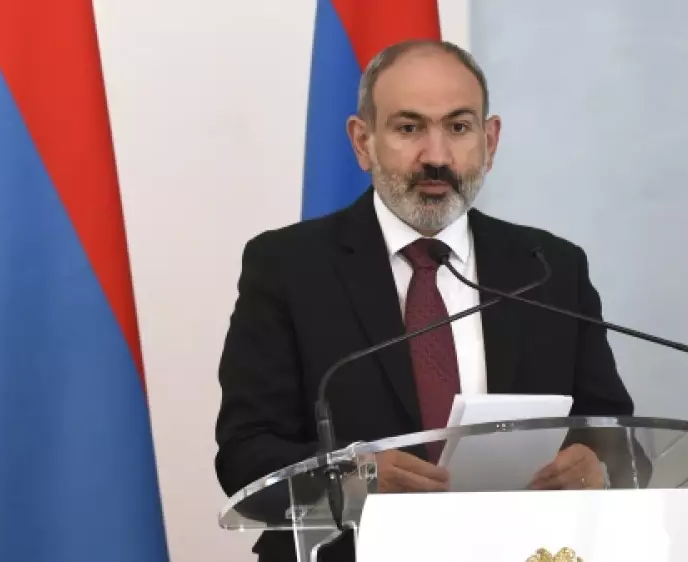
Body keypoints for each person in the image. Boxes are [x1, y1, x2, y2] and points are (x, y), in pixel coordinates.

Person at [214, 39, 635, 562]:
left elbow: (614, 434)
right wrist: (354, 479)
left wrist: (597, 465)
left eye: (458, 127)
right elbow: (245, 454)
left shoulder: (549, 268)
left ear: (490, 141)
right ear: (363, 142)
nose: (436, 157)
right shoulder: (288, 267)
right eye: (409, 128)